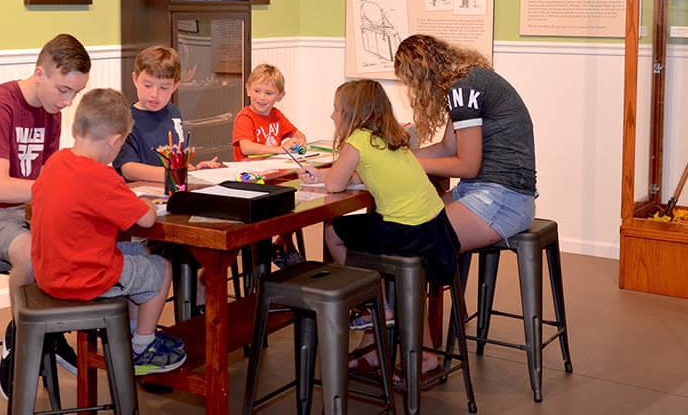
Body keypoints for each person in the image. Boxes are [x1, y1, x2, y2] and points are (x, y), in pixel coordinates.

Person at [0, 33, 90, 398]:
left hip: (23, 208)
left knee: (83, 238)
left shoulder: (51, 110)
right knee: (29, 250)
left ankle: (51, 333)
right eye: (63, 90)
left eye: (75, 93)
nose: (68, 101)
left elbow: (42, 183)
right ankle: (23, 337)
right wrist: (65, 186)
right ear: (39, 72)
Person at [298, 79, 460, 372]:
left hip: (405, 232)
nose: (332, 116)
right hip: (435, 228)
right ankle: (398, 332)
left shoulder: (356, 140)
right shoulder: (392, 137)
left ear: (351, 113)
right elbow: (367, 177)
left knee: (333, 231)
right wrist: (324, 177)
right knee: (367, 235)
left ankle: (370, 301)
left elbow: (336, 185)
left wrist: (326, 179)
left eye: (336, 109)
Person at [31, 88, 186, 376]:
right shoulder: (102, 176)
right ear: (115, 142)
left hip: (49, 271)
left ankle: (129, 332)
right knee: (160, 267)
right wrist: (144, 202)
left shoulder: (55, 163)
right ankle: (144, 345)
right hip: (83, 277)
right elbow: (148, 220)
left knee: (136, 253)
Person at [393, 34, 537, 253]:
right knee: (404, 223)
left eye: (410, 82)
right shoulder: (465, 82)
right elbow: (447, 148)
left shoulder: (463, 89)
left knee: (414, 239)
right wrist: (400, 157)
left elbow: (468, 166)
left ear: (420, 73)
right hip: (486, 191)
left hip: (502, 198)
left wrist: (412, 165)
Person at [233, 63, 307, 266]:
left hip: (272, 176)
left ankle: (283, 243)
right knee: (277, 206)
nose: (261, 97)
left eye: (268, 93)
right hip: (248, 180)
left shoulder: (276, 115)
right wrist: (278, 149)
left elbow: (299, 135)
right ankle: (282, 248)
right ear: (248, 89)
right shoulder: (245, 117)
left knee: (293, 203)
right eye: (257, 91)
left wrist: (297, 143)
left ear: (280, 96)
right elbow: (246, 147)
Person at [113, 45, 221, 181]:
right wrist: (175, 174)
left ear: (175, 86)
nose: (154, 94)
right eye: (147, 85)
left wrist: (195, 170)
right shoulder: (124, 119)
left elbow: (177, 159)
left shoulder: (174, 113)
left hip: (172, 191)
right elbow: (128, 169)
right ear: (135, 79)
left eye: (164, 87)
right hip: (141, 193)